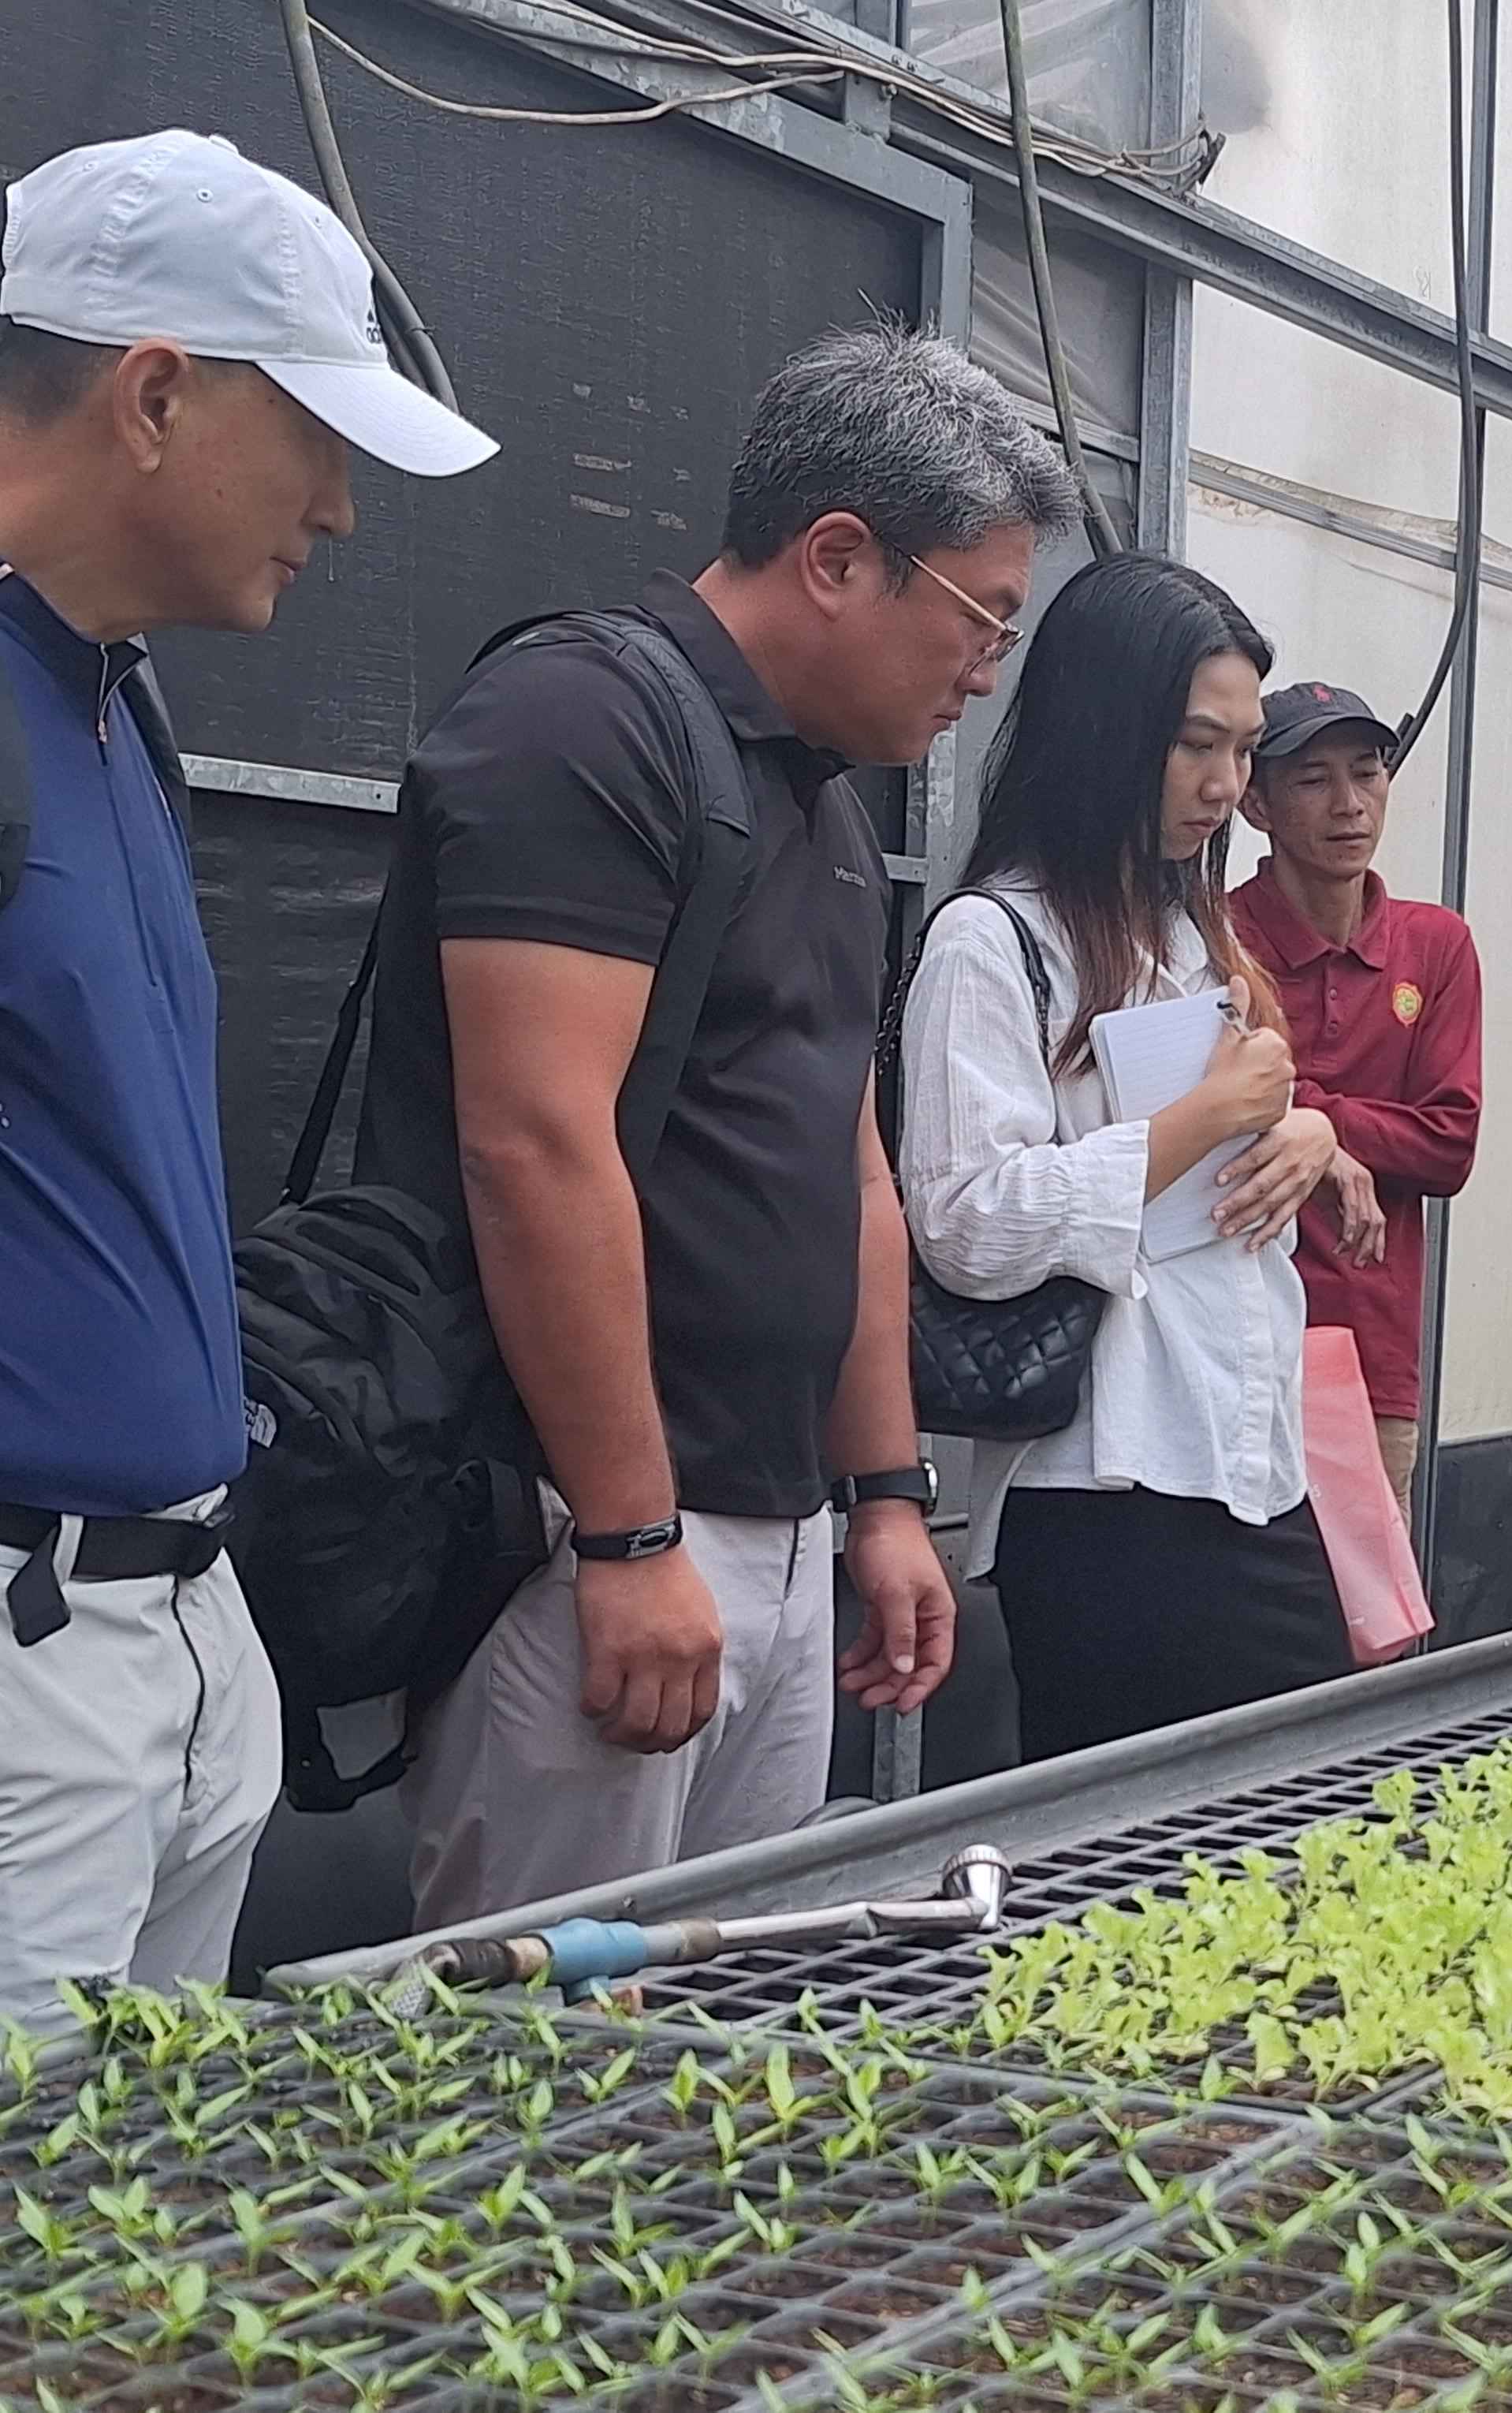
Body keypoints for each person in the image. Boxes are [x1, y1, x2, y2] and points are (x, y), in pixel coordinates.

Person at [356, 326, 1071, 1925]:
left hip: (779, 1520)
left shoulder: (826, 804)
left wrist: (885, 1491)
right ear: (839, 558)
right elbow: (534, 1142)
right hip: (585, 1527)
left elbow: (847, 1166)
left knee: (729, 1999)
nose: (985, 672)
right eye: (981, 619)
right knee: (548, 2026)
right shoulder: (587, 722)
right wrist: (625, 1537)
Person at [0, 130, 496, 2027]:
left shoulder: (112, 699)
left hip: (180, 1624)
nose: (343, 509)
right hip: (32, 1644)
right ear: (154, 398)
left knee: (158, 2192)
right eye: (318, 436)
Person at [903, 554, 1360, 1760]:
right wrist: (1200, 1122)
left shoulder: (1192, 930)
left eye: (1242, 750)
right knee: (1162, 1851)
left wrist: (1300, 1133)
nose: (1225, 787)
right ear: (1106, 732)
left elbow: (1227, 1165)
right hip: (1107, 1482)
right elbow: (964, 1221)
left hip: (1247, 1454)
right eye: (1196, 745)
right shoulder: (991, 939)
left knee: (1307, 1816)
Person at [1230, 681, 1484, 1525]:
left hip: (1371, 1348)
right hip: (1229, 1344)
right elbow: (1210, 1106)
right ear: (1257, 805)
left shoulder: (1434, 944)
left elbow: (1449, 1144)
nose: (1349, 805)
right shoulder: (1213, 937)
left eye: (1368, 773)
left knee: (1368, 1595)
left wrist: (1306, 1113)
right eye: (1313, 780)